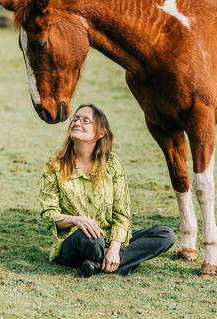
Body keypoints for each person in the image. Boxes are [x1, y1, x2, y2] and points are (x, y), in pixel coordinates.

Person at [40, 104, 175, 277]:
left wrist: (115, 248)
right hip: (76, 241)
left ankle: (97, 264)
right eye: (75, 118)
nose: (77, 122)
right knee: (91, 239)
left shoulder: (112, 163)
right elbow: (48, 213)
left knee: (165, 235)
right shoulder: (55, 164)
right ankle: (117, 262)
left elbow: (122, 214)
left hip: (110, 239)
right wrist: (76, 220)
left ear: (101, 133)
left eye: (85, 120)